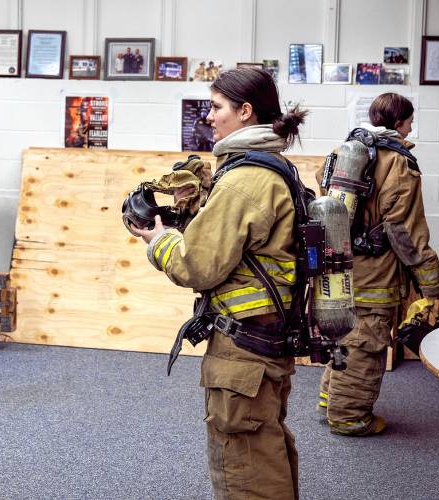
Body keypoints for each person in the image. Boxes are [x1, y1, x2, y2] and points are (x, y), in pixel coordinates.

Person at [130, 67, 307, 499]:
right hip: (266, 340)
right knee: (264, 447)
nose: (209, 116)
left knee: (244, 464)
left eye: (216, 107)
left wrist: (159, 240)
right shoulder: (273, 167)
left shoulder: (245, 181)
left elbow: (197, 266)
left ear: (245, 112)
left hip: (243, 349)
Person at [318, 93, 439, 436]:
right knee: (367, 343)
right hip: (376, 273)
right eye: (410, 121)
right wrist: (432, 285)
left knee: (346, 334)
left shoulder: (342, 151)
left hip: (339, 265)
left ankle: (331, 397)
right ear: (401, 122)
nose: (411, 127)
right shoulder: (398, 163)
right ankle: (348, 416)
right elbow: (405, 232)